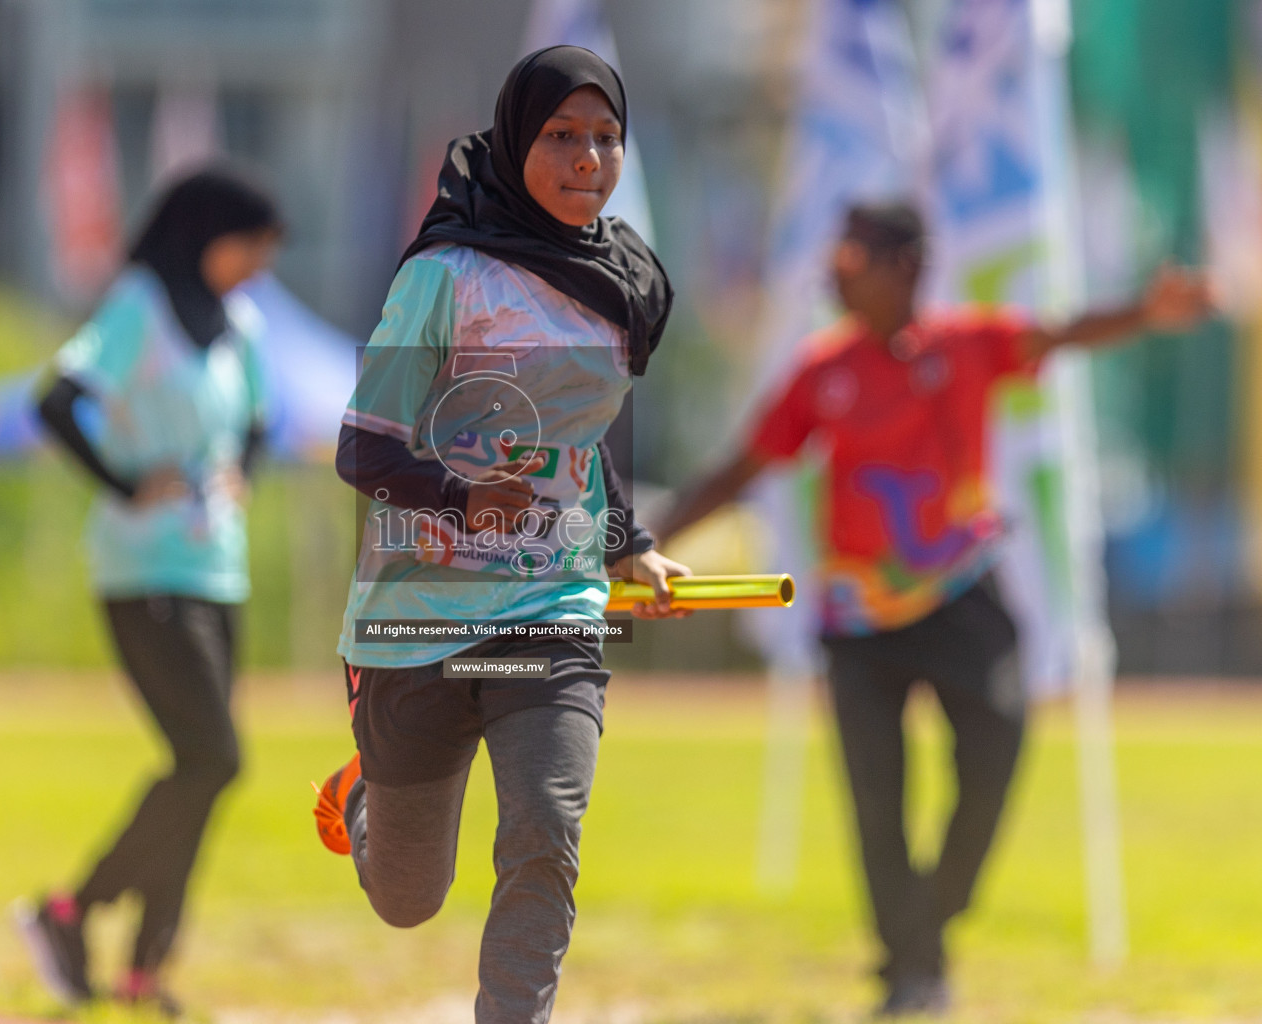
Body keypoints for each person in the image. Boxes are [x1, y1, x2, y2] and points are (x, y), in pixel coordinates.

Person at [653, 202, 1214, 1016]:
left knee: (997, 745)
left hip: (960, 599)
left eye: (854, 260)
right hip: (857, 621)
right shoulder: (823, 369)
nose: (836, 275)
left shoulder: (966, 345)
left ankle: (929, 922)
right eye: (835, 259)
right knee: (877, 804)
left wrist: (1143, 312)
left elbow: (1057, 335)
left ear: (905, 267)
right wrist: (642, 538)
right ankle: (913, 973)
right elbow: (742, 467)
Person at [310, 45, 690, 1024]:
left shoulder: (624, 282)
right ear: (519, 137)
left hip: (551, 612)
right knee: (407, 897)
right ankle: (368, 805)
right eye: (562, 136)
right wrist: (462, 501)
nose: (588, 159)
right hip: (416, 626)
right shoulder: (446, 276)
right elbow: (364, 446)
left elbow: (583, 432)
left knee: (545, 829)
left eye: (606, 138)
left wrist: (624, 541)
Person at [17, 165, 283, 1018]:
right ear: (208, 236)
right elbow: (56, 402)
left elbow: (258, 418)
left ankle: (143, 969)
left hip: (218, 572)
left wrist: (242, 470)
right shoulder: (138, 306)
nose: (259, 268)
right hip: (143, 573)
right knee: (215, 757)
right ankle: (71, 911)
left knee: (199, 771)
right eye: (252, 248)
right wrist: (127, 484)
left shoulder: (240, 322)